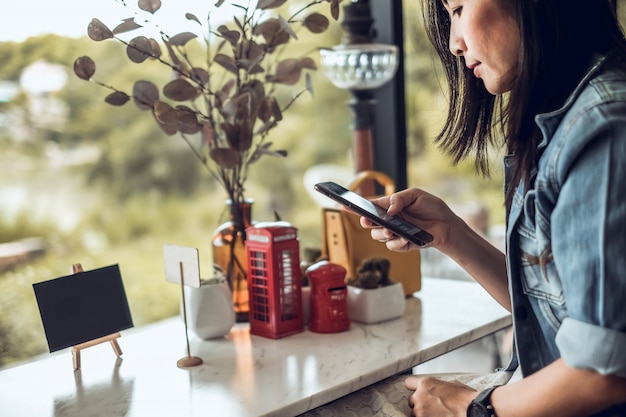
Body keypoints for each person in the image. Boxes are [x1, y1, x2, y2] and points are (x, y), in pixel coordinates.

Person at [359, 0, 626, 416]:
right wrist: (451, 233)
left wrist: (470, 406)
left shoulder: (604, 131)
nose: (453, 43)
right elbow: (554, 303)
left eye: (460, 7)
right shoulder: (565, 117)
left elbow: (603, 371)